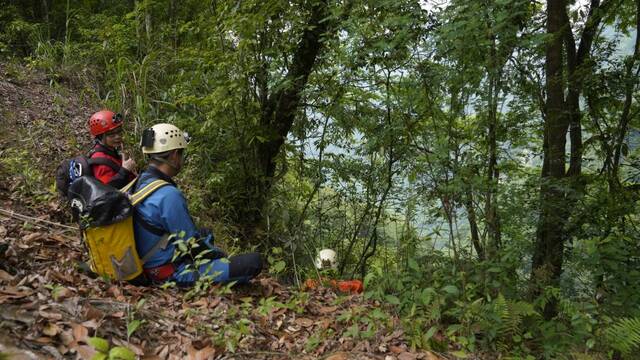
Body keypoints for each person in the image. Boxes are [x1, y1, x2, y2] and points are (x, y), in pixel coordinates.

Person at [132, 123, 262, 286]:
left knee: (205, 233)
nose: (182, 159)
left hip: (150, 259)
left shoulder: (141, 180)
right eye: (181, 154)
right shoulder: (168, 195)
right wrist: (219, 255)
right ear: (173, 156)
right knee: (253, 262)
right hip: (170, 272)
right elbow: (191, 244)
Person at [87, 109, 137, 188]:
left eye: (119, 132)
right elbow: (106, 189)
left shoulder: (110, 150)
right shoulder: (100, 161)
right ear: (101, 137)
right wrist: (125, 170)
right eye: (111, 134)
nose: (118, 137)